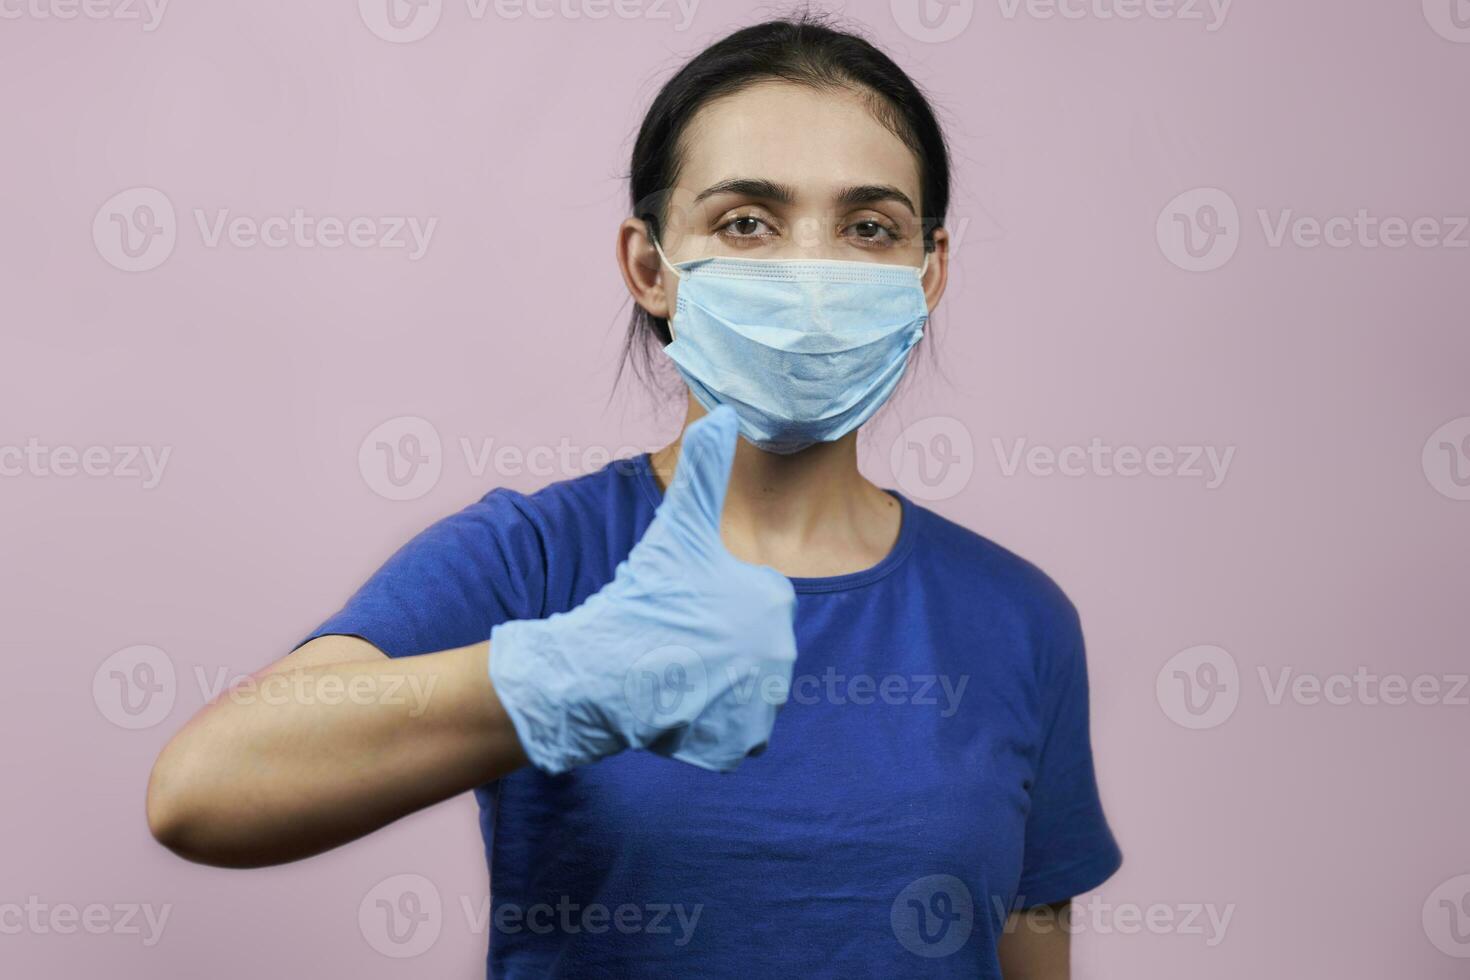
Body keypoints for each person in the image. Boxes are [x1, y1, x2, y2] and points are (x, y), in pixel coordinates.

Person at [147, 14, 1122, 977]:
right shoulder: (536, 558)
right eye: (747, 221)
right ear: (651, 266)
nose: (813, 273)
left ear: (929, 270)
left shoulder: (1020, 619)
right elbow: (203, 790)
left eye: (869, 226)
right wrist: (573, 674)